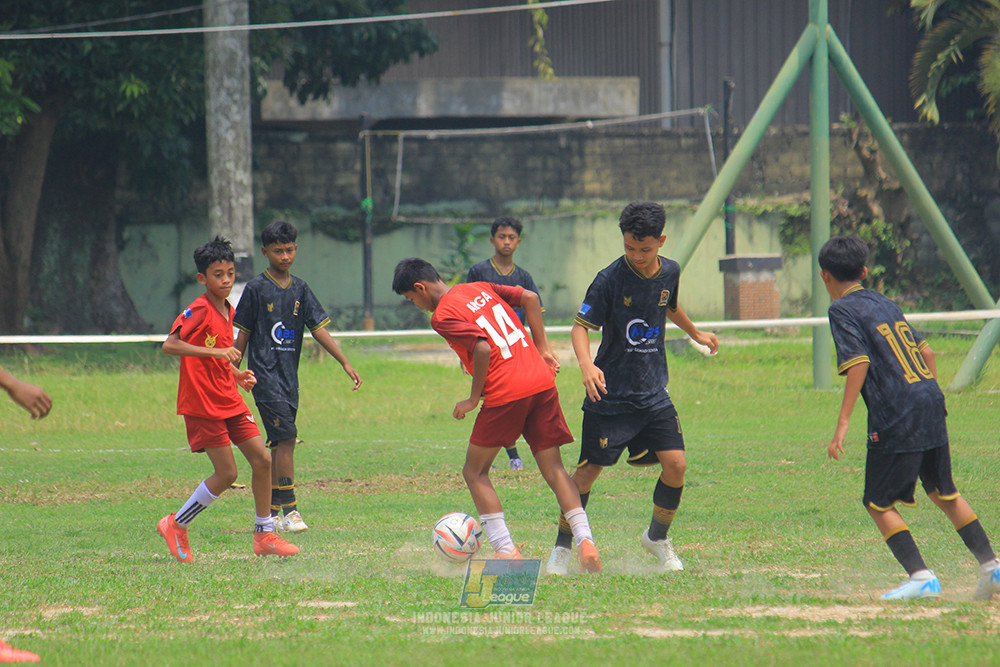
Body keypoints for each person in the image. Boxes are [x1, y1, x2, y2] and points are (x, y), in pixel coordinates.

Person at [393, 257, 601, 572]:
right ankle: (586, 542)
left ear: (420, 287)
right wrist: (543, 348)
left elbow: (482, 349)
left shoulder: (442, 315)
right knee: (555, 469)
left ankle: (507, 551)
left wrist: (473, 398)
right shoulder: (478, 286)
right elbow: (530, 298)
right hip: (540, 379)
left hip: (507, 390)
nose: (417, 305)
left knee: (474, 472)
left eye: (412, 299)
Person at [820, 236, 1000, 600]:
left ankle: (921, 577)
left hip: (896, 411)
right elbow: (927, 352)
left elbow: (859, 364)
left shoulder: (841, 310)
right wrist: (926, 396)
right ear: (865, 271)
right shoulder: (884, 302)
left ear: (824, 277)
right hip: (930, 399)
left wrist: (842, 425)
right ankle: (992, 569)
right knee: (943, 492)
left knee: (877, 502)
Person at [547, 201, 718, 576]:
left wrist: (696, 333)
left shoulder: (670, 270)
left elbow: (669, 306)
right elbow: (580, 327)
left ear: (661, 240)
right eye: (629, 248)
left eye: (646, 249)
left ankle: (656, 538)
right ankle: (562, 546)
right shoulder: (609, 279)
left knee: (677, 465)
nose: (637, 256)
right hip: (610, 395)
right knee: (588, 473)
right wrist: (587, 365)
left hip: (654, 391)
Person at [158, 236, 298, 562]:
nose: (225, 280)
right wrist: (218, 351)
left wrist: (237, 374)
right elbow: (170, 345)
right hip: (203, 403)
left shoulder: (227, 309)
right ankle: (175, 524)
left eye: (230, 273)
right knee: (227, 475)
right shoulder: (198, 309)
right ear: (202, 279)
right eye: (218, 274)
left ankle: (264, 534)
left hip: (228, 397)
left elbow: (220, 355)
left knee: (262, 459)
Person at [234, 220, 361, 533]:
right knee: (288, 439)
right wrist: (233, 371)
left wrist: (344, 361)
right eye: (278, 251)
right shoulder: (255, 289)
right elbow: (242, 337)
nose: (285, 256)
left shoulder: (301, 289)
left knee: (279, 444)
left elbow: (318, 329)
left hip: (290, 379)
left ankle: (273, 512)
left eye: (290, 249)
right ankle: (291, 510)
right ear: (265, 252)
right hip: (264, 377)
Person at [466, 217, 543, 472]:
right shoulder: (479, 272)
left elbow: (534, 313)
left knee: (511, 400)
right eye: (502, 237)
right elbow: (468, 311)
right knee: (493, 400)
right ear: (492, 240)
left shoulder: (524, 276)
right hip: (489, 348)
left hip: (517, 348)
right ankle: (509, 457)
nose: (506, 242)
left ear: (518, 242)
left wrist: (541, 349)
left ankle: (511, 457)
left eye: (511, 238)